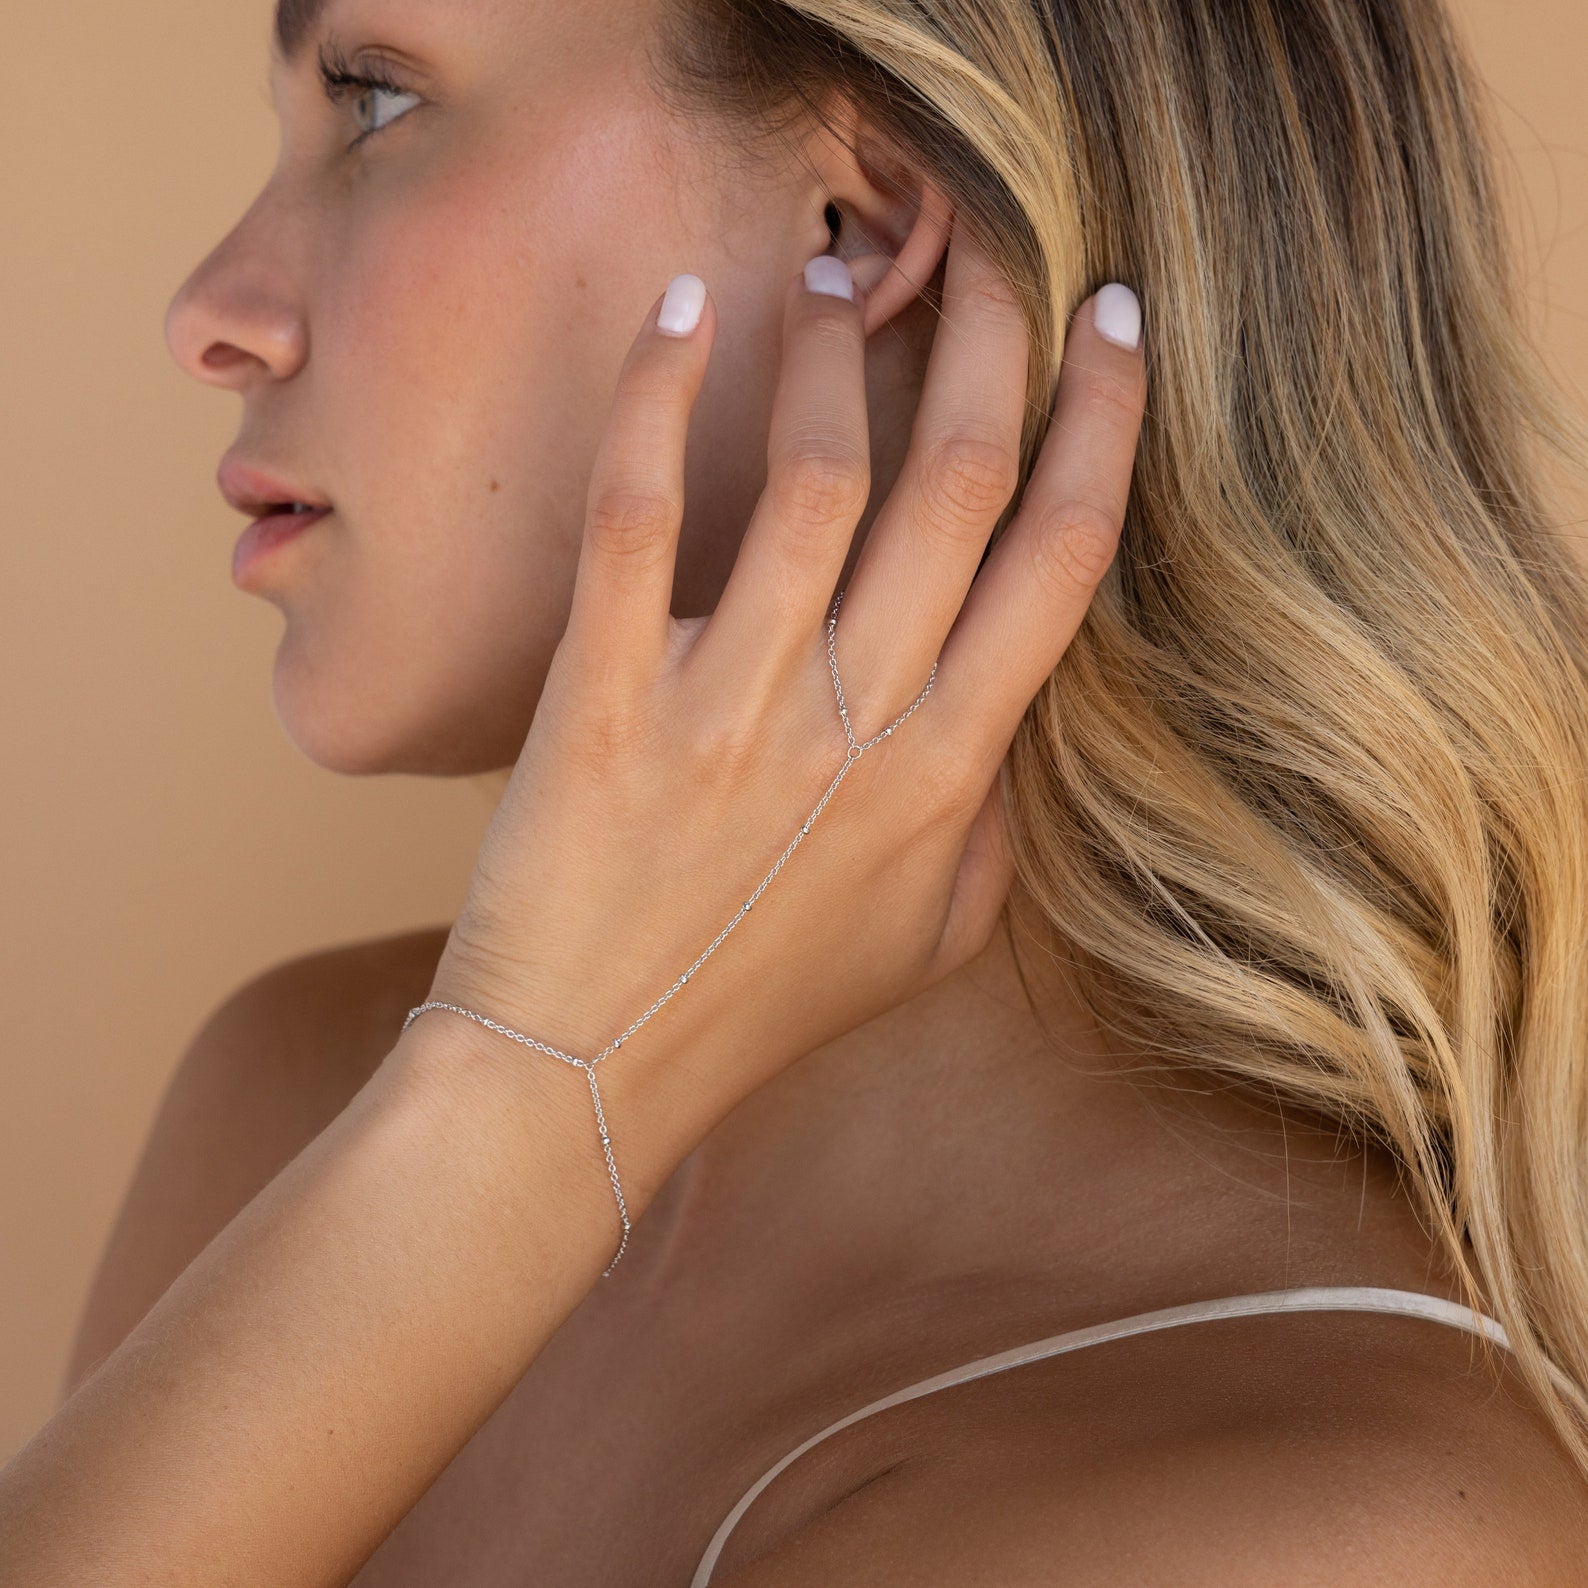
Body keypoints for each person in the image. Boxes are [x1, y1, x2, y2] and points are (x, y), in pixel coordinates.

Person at [6, 0, 1588, 1580]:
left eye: (372, 99)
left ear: (862, 224)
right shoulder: (297, 1102)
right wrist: (515, 1104)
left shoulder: (1309, 1523)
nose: (210, 315)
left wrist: (527, 1100)